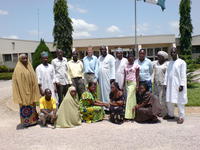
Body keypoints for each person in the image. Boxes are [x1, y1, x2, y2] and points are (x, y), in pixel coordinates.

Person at [12, 54, 40, 127]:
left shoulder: (29, 66)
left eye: (26, 58)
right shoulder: (18, 69)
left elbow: (34, 78)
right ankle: (26, 122)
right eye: (23, 58)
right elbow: (17, 83)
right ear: (20, 59)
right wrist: (22, 93)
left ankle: (33, 121)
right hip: (23, 92)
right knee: (25, 107)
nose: (25, 60)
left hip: (31, 91)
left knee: (32, 106)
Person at [163, 48, 188, 124]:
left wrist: (182, 85)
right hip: (170, 85)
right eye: (171, 52)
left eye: (174, 52)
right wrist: (165, 83)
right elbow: (167, 74)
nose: (172, 53)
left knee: (180, 101)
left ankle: (181, 117)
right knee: (170, 101)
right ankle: (171, 115)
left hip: (178, 85)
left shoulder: (181, 62)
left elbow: (183, 74)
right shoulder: (169, 63)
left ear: (177, 52)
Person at [153, 51, 169, 117]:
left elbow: (168, 75)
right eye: (157, 56)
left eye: (159, 56)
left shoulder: (166, 64)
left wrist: (166, 83)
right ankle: (157, 111)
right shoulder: (156, 63)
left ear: (163, 57)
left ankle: (164, 112)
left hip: (163, 84)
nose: (158, 57)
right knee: (156, 98)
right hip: (156, 83)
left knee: (162, 99)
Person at [124, 53, 139, 120]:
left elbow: (138, 76)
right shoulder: (126, 66)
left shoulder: (136, 65)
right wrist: (123, 84)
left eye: (131, 56)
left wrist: (137, 85)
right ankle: (133, 115)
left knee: (129, 99)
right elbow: (125, 76)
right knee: (132, 100)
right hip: (127, 83)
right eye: (129, 57)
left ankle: (128, 115)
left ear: (134, 58)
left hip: (133, 83)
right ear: (128, 58)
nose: (130, 58)